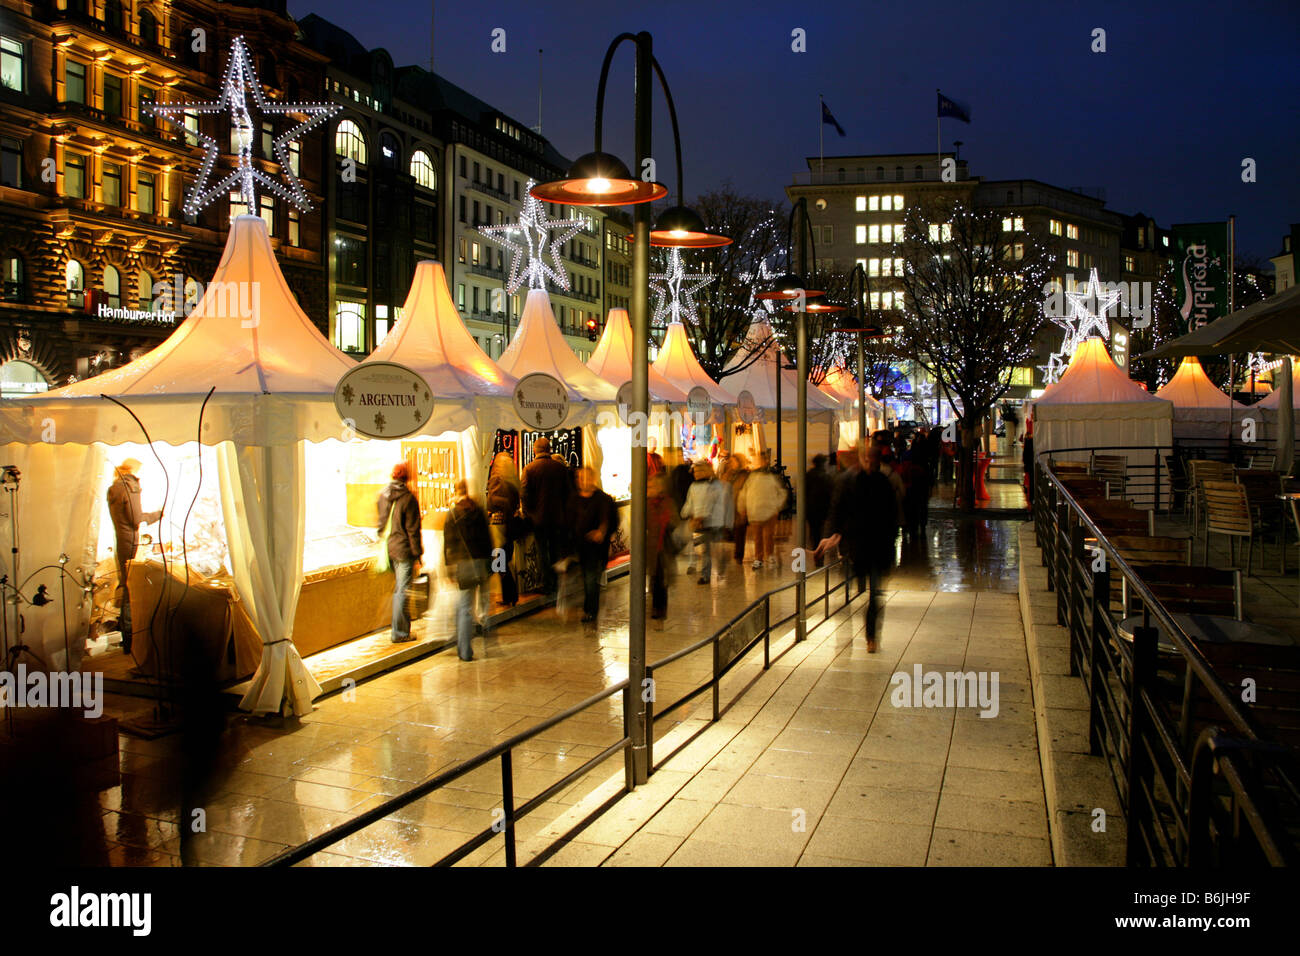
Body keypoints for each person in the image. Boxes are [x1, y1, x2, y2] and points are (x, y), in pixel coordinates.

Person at [816, 441, 901, 652]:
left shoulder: (877, 483)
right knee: (859, 590)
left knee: (871, 593)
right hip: (860, 546)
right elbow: (838, 511)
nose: (869, 462)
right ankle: (862, 637)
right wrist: (832, 535)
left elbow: (891, 518)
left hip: (868, 547)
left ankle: (870, 636)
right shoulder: (856, 482)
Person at [106, 458, 163, 655]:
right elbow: (135, 519)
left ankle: (127, 638)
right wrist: (157, 514)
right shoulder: (130, 486)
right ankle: (132, 641)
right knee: (132, 589)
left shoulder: (114, 487)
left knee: (125, 586)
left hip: (121, 541)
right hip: (131, 541)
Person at [443, 479, 492, 661]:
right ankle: (482, 627)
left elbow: (448, 544)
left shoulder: (453, 514)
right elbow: (488, 540)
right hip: (479, 562)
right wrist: (493, 565)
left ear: (456, 492)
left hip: (463, 565)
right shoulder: (478, 511)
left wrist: (449, 569)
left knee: (463, 607)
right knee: (473, 603)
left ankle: (464, 650)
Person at [377, 462, 424, 644]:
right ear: (406, 478)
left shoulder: (383, 495)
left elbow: (381, 524)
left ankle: (400, 629)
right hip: (404, 550)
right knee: (402, 592)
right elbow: (412, 530)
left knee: (399, 590)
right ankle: (400, 632)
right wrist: (417, 554)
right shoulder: (408, 499)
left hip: (390, 548)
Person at [521, 436, 572, 595]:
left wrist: (530, 513)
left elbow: (524, 494)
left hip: (539, 519)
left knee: (543, 552)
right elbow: (568, 493)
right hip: (558, 518)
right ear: (549, 449)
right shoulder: (560, 468)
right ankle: (557, 583)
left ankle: (548, 584)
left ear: (535, 450)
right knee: (556, 550)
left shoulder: (529, 469)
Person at [566, 467, 616, 622]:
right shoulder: (574, 500)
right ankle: (589, 608)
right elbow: (567, 523)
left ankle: (590, 611)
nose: (581, 481)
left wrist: (602, 532)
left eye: (585, 478)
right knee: (588, 578)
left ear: (592, 479)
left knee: (591, 578)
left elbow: (611, 520)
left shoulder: (604, 500)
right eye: (579, 478)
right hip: (581, 547)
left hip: (597, 549)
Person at [680, 461, 732, 584]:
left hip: (714, 521)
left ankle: (719, 561)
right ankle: (706, 575)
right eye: (695, 472)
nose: (696, 474)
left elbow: (712, 502)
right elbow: (690, 502)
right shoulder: (693, 486)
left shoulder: (714, 485)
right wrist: (685, 513)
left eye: (699, 471)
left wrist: (703, 516)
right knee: (707, 549)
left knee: (713, 548)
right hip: (702, 522)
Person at [485, 451, 521, 608]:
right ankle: (511, 595)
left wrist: (490, 508)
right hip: (510, 525)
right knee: (505, 561)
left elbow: (493, 500)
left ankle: (509, 594)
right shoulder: (513, 482)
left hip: (498, 525)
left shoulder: (496, 480)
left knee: (499, 562)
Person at [741, 452, 787, 571]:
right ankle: (760, 557)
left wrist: (776, 506)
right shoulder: (754, 478)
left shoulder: (770, 477)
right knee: (759, 537)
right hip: (757, 510)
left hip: (767, 511)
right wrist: (744, 507)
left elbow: (781, 493)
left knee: (768, 536)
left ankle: (768, 556)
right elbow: (744, 494)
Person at [646, 473, 679, 619]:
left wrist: (668, 523)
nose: (648, 489)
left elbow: (675, 521)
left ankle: (660, 608)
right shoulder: (646, 504)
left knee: (661, 578)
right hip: (651, 547)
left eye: (651, 486)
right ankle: (655, 606)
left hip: (664, 547)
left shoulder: (668, 503)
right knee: (653, 577)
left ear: (660, 488)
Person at [805, 454, 833, 567]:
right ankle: (819, 554)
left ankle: (816, 551)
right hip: (822, 509)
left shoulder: (808, 475)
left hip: (811, 509)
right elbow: (830, 493)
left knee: (814, 531)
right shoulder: (826, 476)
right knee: (821, 533)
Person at [725, 453, 751, 565]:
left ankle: (739, 555)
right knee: (732, 531)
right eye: (730, 461)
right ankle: (735, 554)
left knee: (740, 532)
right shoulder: (728, 474)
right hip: (729, 506)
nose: (731, 463)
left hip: (740, 507)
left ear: (739, 462)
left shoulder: (745, 475)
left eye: (733, 461)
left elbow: (748, 491)